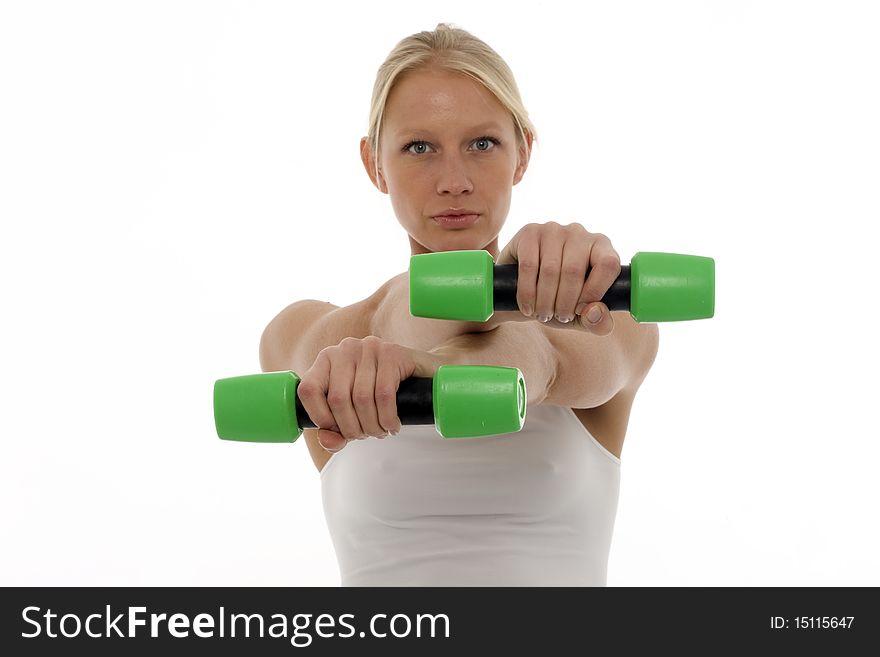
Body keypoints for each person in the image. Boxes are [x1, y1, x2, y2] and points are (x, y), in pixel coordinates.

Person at [259, 23, 659, 586]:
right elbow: (403, 313)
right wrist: (499, 292)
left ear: (522, 153)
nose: (454, 181)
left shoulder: (611, 316)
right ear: (375, 164)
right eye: (419, 147)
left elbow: (534, 356)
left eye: (482, 144)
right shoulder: (310, 335)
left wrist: (434, 367)